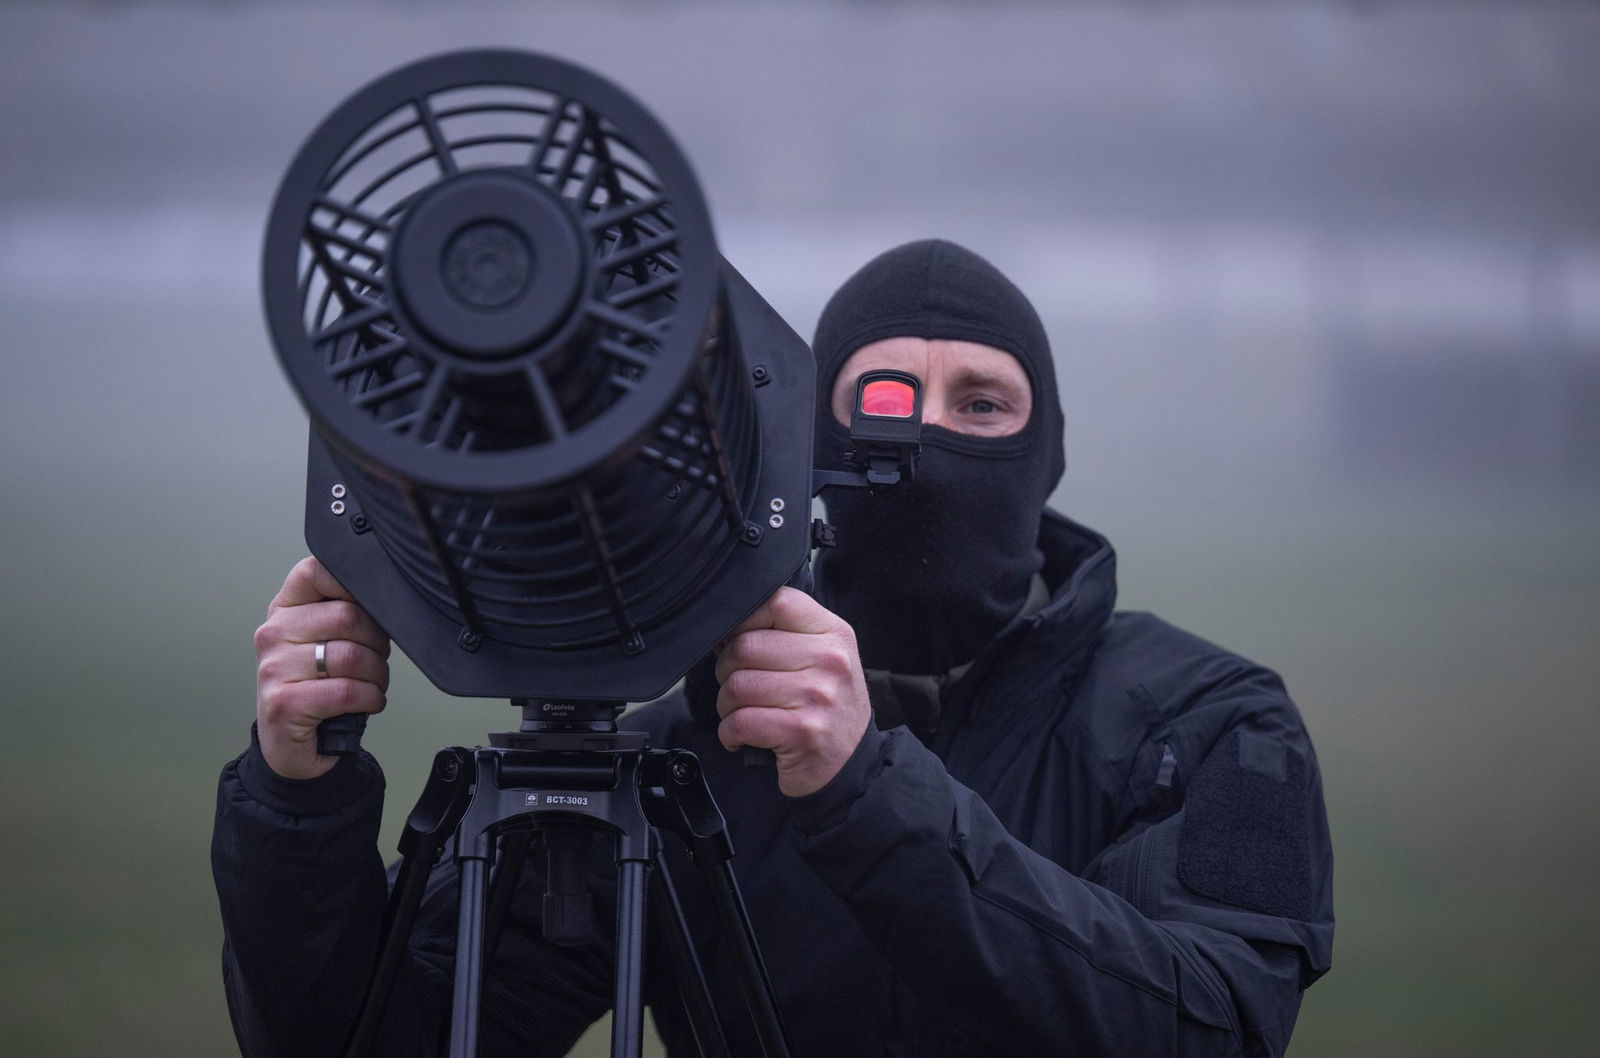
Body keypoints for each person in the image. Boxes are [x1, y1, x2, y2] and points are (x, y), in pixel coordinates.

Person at [214, 239, 1333, 1057]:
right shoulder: (683, 757)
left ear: (1043, 455)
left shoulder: (1207, 721)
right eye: (883, 396)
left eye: (980, 403)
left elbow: (1213, 1025)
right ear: (803, 445)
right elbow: (378, 1045)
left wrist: (865, 789)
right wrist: (297, 803)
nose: (924, 436)